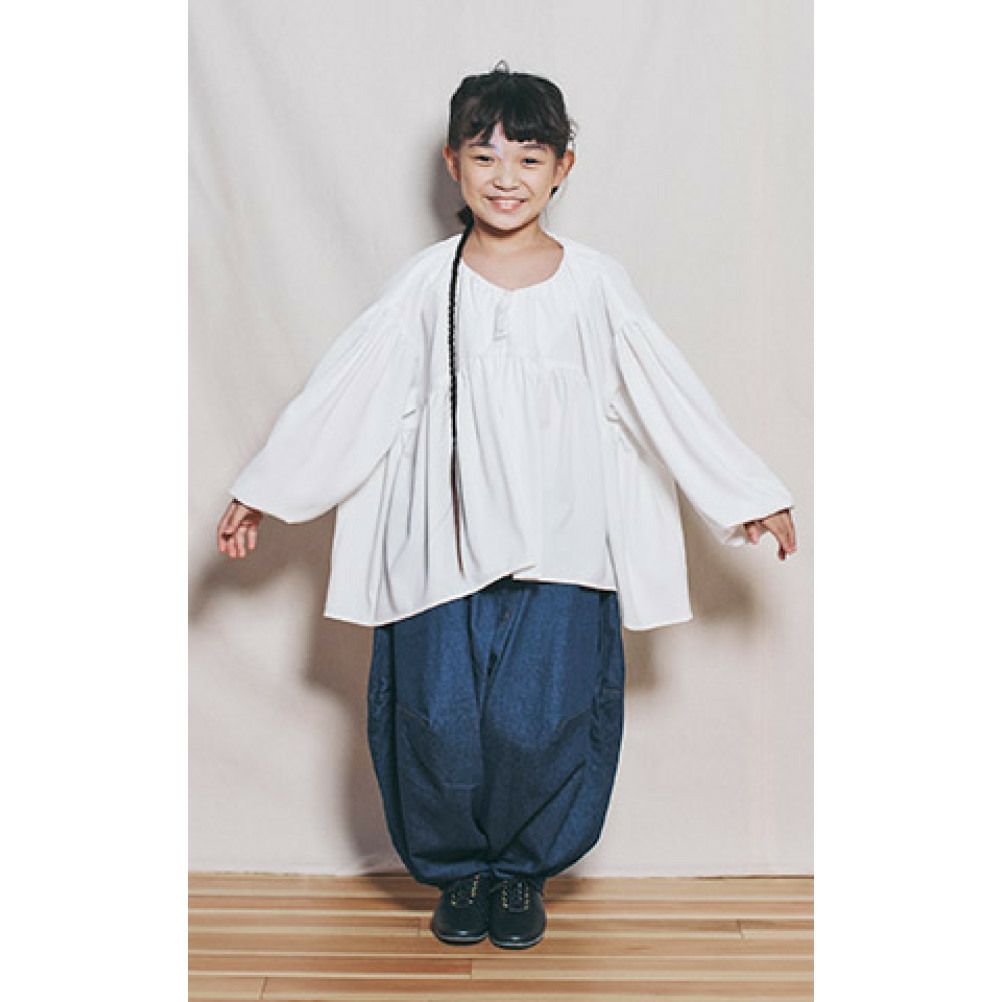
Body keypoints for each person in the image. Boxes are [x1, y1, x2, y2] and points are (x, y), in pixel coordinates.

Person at [215, 61, 798, 951]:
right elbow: (348, 391)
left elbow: (664, 389)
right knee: (438, 719)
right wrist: (265, 487)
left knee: (541, 719)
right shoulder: (424, 284)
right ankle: (460, 873)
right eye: (485, 156)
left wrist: (745, 493)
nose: (506, 177)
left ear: (563, 168)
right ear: (453, 164)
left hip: (564, 544)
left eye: (529, 157)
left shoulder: (596, 284)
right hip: (437, 545)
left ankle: (521, 873)